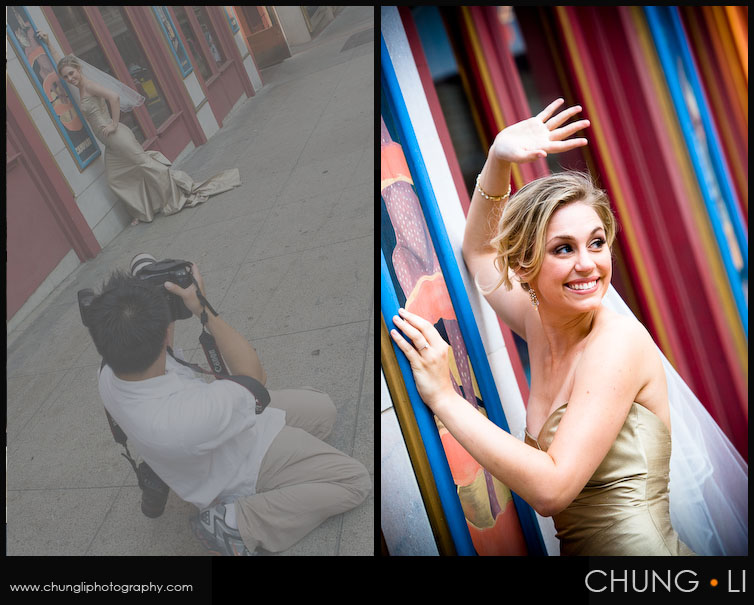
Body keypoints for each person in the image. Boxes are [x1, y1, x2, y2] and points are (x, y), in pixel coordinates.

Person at [390, 98, 698, 556]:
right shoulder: (541, 321)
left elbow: (552, 490)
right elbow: (479, 253)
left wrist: (444, 399)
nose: (588, 264)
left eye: (597, 243)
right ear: (525, 265)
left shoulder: (616, 343)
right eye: (563, 249)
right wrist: (498, 159)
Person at [85, 262, 371, 555]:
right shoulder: (188, 417)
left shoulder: (109, 368)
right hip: (241, 462)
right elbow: (254, 376)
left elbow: (156, 337)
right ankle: (236, 523)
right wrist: (202, 308)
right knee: (354, 481)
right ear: (162, 336)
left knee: (323, 411)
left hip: (210, 438)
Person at [37, 31, 240, 226]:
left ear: (79, 70)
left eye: (72, 74)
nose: (70, 79)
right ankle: (143, 211)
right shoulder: (79, 85)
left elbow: (114, 97)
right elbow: (64, 63)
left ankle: (182, 190)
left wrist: (114, 124)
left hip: (117, 138)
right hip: (111, 143)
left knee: (147, 166)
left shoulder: (88, 85)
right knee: (116, 178)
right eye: (66, 77)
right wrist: (49, 44)